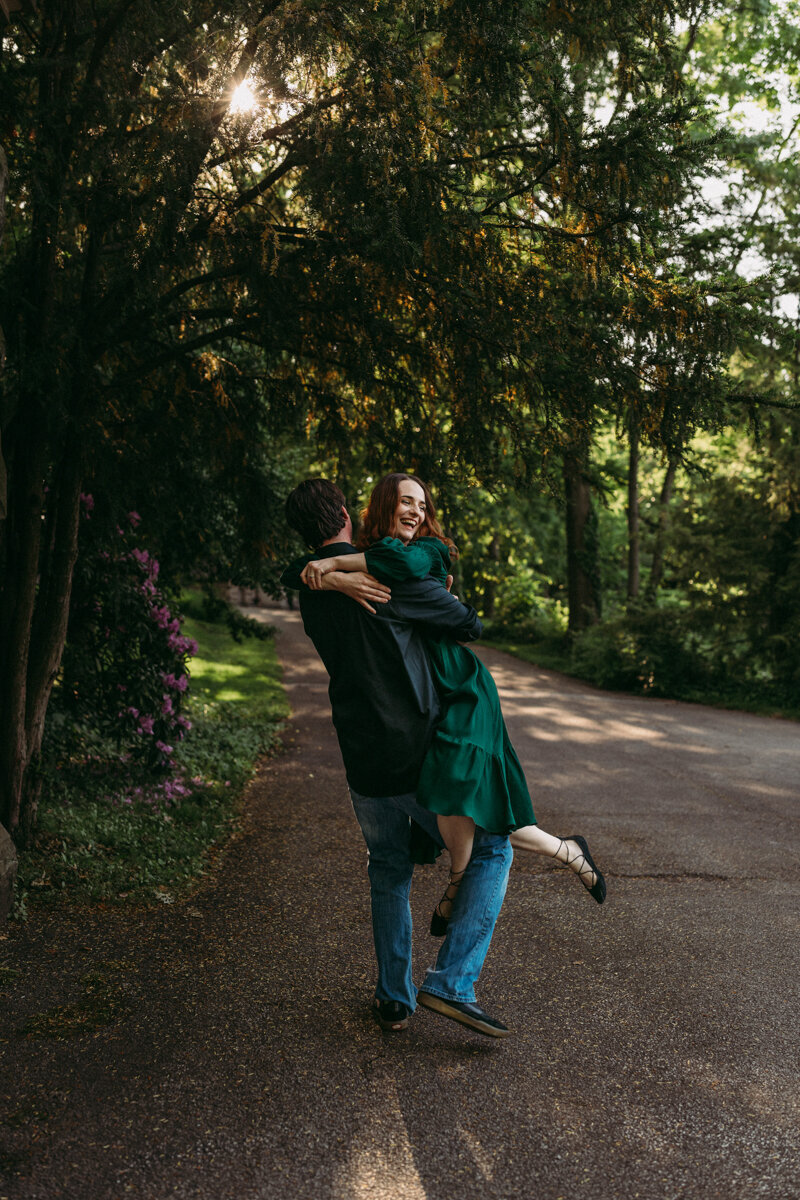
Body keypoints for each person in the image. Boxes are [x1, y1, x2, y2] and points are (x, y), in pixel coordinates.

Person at [299, 472, 606, 936]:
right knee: (466, 801)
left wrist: (338, 573)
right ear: (377, 507)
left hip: (462, 689)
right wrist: (337, 579)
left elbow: (466, 621)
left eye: (422, 505)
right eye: (405, 502)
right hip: (433, 692)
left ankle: (460, 885)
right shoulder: (355, 565)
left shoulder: (426, 553)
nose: (416, 512)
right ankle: (565, 851)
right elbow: (308, 568)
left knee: (462, 793)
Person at [281, 478, 514, 1038]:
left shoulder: (309, 581)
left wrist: (328, 571)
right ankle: (452, 982)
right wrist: (444, 593)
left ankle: (393, 997)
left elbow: (299, 569)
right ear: (343, 513)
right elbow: (465, 624)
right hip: (409, 749)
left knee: (388, 866)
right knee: (493, 848)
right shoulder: (389, 576)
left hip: (360, 754)